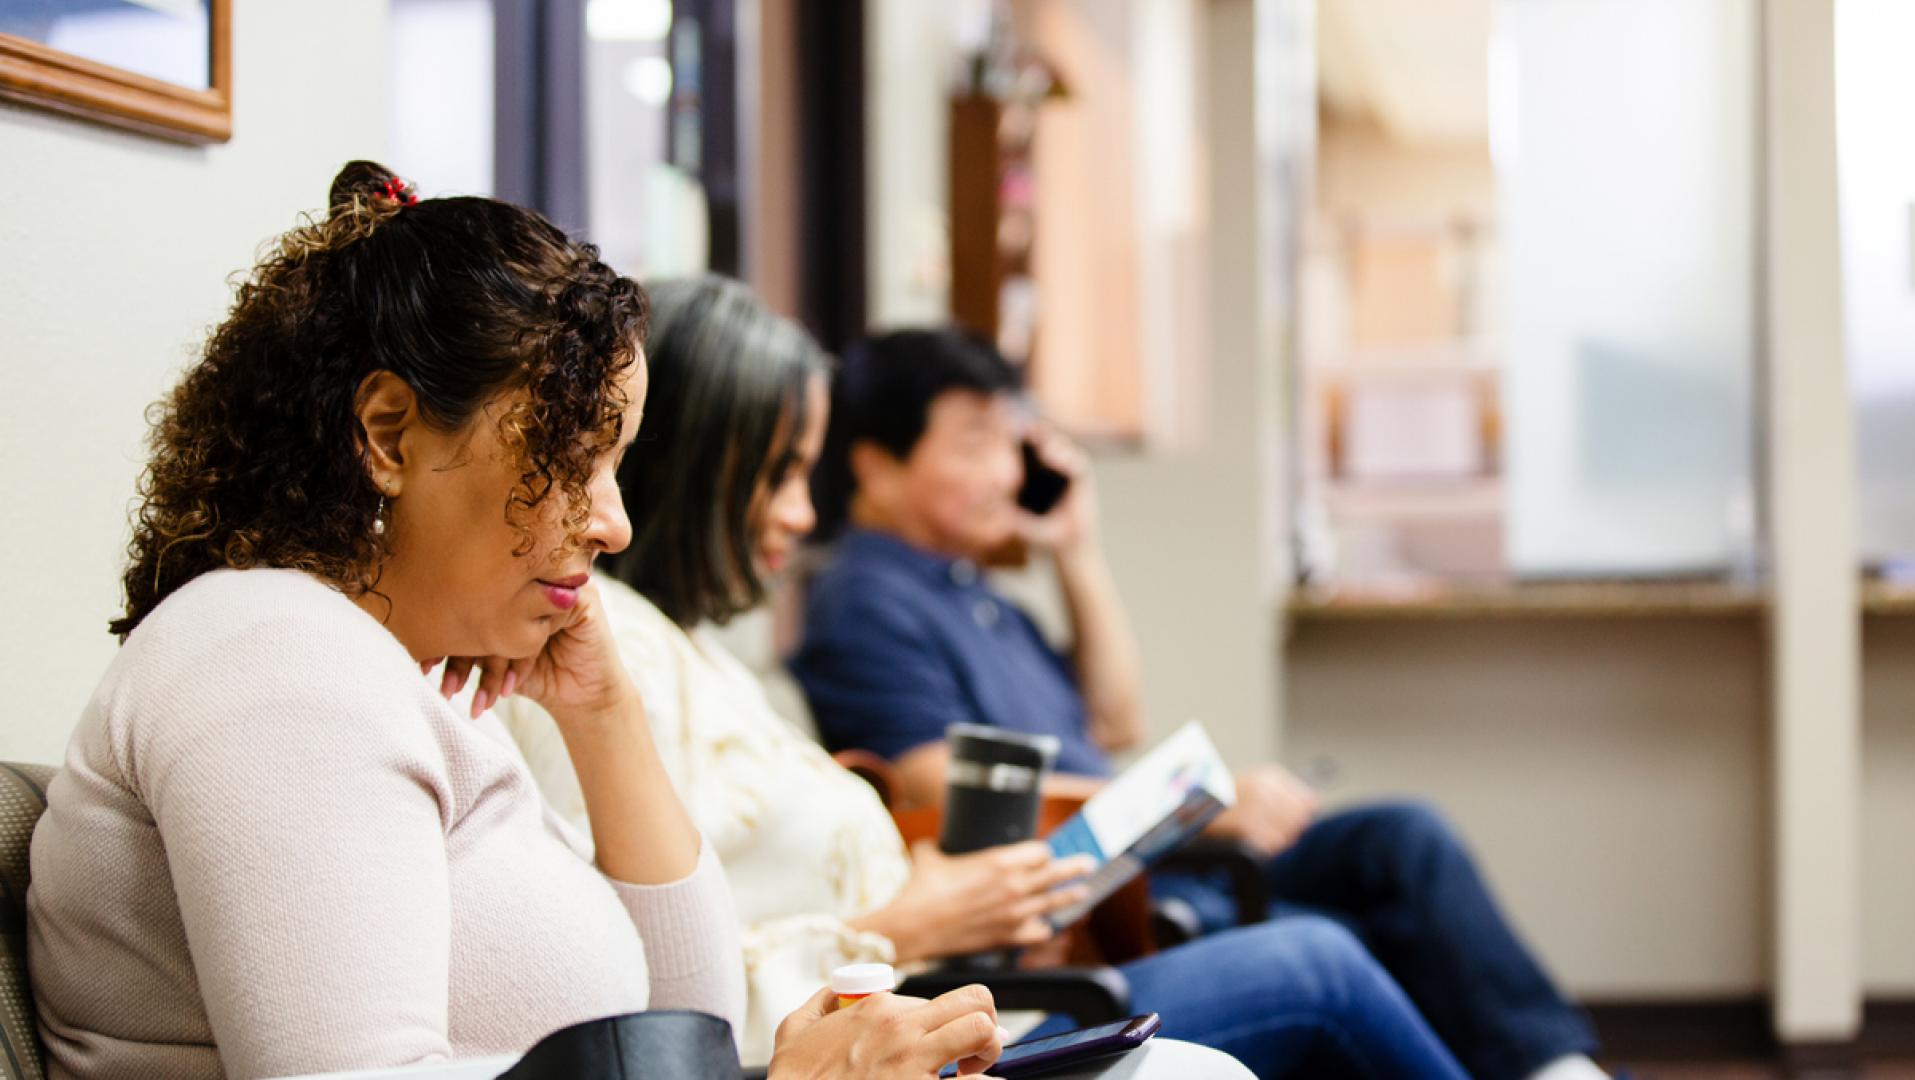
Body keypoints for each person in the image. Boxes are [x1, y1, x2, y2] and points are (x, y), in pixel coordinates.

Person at [26, 165, 1002, 1080]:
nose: (613, 523)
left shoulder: (387, 674)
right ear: (387, 433)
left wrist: (602, 712)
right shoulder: (275, 661)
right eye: (574, 459)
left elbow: (684, 1031)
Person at [499, 275, 1477, 1079]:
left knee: (1389, 857)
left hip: (975, 960)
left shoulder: (721, 650)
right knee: (1318, 959)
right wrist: (913, 916)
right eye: (780, 473)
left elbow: (1114, 715)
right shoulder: (609, 654)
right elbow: (660, 981)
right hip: (932, 1003)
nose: (801, 511)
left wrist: (1076, 551)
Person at [788, 327, 1610, 1080]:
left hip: (1142, 857)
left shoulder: (975, 591)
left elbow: (1115, 724)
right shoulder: (868, 603)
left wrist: (1077, 552)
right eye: (975, 444)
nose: (1006, 471)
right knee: (1349, 937)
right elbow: (953, 799)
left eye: (1010, 440)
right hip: (1106, 891)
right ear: (875, 463)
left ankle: (1562, 1072)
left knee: (1403, 840)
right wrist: (1201, 812)